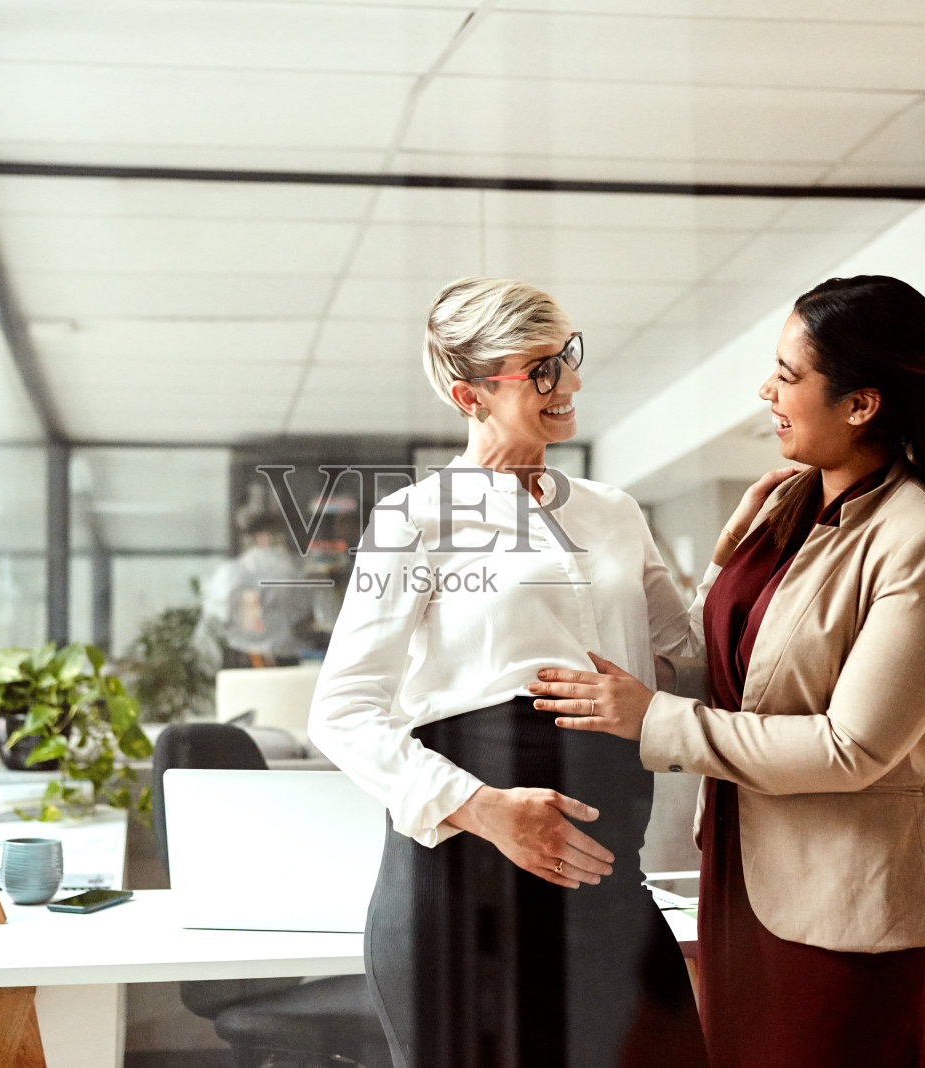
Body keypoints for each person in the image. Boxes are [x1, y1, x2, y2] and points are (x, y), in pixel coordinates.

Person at [529, 274, 925, 1068]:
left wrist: (650, 719)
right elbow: (740, 670)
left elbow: (850, 749)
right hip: (742, 872)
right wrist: (722, 566)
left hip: (847, 900)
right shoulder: (786, 508)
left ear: (862, 404)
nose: (766, 390)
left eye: (788, 376)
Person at [308, 278, 707, 1068]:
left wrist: (750, 552)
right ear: (470, 393)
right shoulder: (415, 519)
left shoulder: (614, 513)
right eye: (542, 368)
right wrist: (486, 809)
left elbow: (691, 652)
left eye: (569, 358)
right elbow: (343, 712)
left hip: (606, 884)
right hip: (466, 895)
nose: (571, 384)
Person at [192, 508, 315, 670]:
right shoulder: (284, 568)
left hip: (259, 653)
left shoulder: (238, 570)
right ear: (261, 536)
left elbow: (222, 616)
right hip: (272, 654)